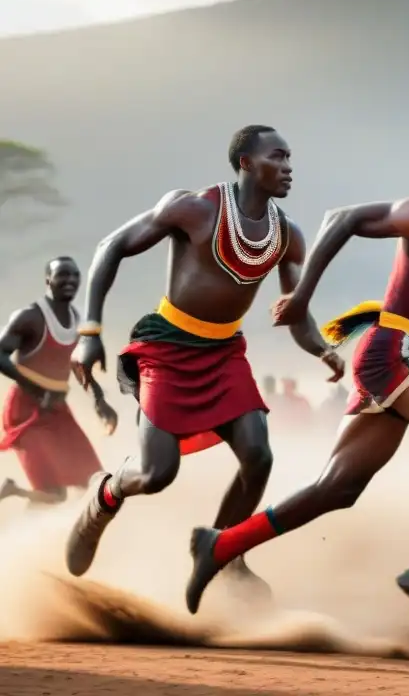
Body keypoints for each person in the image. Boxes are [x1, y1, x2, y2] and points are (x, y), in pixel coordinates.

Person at [185, 131, 409, 638]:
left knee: (338, 489)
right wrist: (302, 297)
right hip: (392, 351)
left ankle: (219, 546)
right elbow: (340, 219)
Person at [65, 125, 344, 590]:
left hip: (224, 352)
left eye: (291, 158)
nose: (290, 167)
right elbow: (109, 247)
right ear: (247, 163)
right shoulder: (193, 208)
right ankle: (104, 495)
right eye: (279, 157)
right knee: (157, 473)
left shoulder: (286, 235)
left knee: (258, 456)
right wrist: (89, 332)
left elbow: (295, 314)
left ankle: (224, 554)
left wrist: (322, 349)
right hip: (167, 346)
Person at [0, 257, 117, 507]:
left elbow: (79, 367)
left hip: (58, 411)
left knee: (95, 482)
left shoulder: (78, 322)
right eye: (62, 275)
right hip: (26, 411)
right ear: (48, 280)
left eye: (75, 276)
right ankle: (23, 531)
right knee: (52, 493)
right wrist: (33, 387)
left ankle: (16, 493)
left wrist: (100, 401)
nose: (70, 281)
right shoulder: (30, 317)